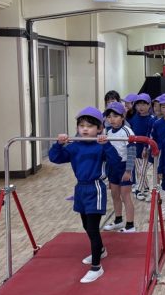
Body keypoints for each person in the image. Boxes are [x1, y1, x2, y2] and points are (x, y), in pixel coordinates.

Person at [49, 107, 121, 283]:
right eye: (82, 126)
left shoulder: (101, 146)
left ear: (99, 128)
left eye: (89, 126)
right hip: (80, 188)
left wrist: (107, 145)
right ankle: (101, 250)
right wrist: (58, 144)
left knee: (93, 228)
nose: (85, 129)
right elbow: (55, 158)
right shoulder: (75, 146)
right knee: (86, 226)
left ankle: (96, 267)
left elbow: (116, 162)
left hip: (95, 188)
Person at [102, 102, 137, 233]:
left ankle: (130, 225)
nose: (112, 119)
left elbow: (132, 152)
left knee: (125, 196)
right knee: (115, 195)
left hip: (124, 167)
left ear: (123, 116)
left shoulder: (127, 131)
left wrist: (128, 171)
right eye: (109, 116)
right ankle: (118, 220)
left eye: (115, 116)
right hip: (113, 168)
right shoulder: (108, 132)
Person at [129, 93, 156, 201]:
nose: (141, 107)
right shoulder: (133, 118)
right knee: (139, 171)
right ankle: (146, 189)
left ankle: (138, 190)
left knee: (142, 170)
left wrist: (147, 147)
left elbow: (151, 135)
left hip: (146, 149)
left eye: (144, 104)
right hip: (135, 148)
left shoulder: (152, 119)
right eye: (138, 104)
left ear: (149, 105)